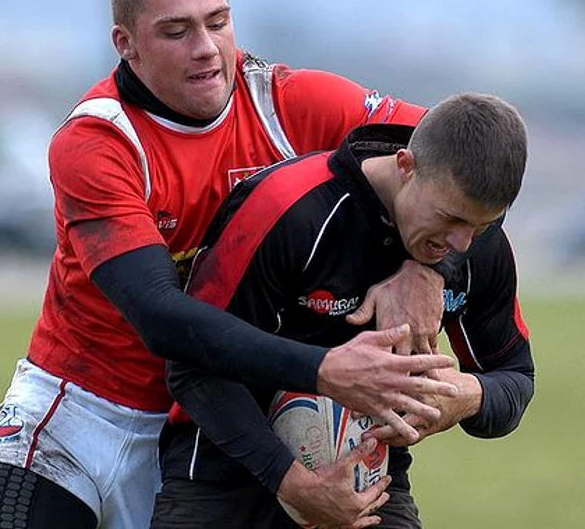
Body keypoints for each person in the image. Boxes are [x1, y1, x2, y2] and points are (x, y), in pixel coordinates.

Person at [0, 0, 464, 528]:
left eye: (218, 22)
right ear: (127, 43)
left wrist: (429, 268)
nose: (208, 49)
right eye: (176, 31)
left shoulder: (292, 105)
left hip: (216, 424)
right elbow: (161, 317)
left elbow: (467, 163)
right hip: (81, 414)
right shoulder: (98, 142)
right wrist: (321, 369)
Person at [150, 93, 535, 529]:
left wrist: (467, 397)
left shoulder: (476, 247)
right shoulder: (288, 209)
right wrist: (293, 484)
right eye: (449, 218)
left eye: (481, 226)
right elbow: (191, 365)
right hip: (224, 478)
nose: (462, 243)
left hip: (368, 489)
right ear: (405, 165)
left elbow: (517, 379)